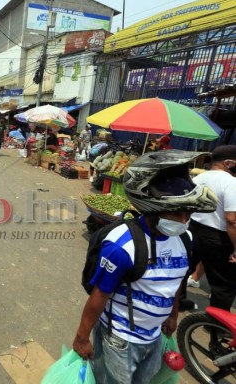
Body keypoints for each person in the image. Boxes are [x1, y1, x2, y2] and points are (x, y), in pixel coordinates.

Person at [73, 150, 217, 384]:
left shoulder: (185, 239)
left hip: (154, 335)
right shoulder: (122, 245)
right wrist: (81, 337)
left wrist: (172, 316)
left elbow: (177, 281)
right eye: (176, 212)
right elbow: (100, 295)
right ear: (151, 208)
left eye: (187, 213)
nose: (183, 220)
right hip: (119, 339)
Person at [188, 145, 236, 311]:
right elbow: (231, 220)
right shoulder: (231, 183)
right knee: (224, 285)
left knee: (183, 270)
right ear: (229, 163)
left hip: (192, 229)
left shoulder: (198, 178)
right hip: (217, 237)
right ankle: (216, 325)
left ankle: (178, 300)